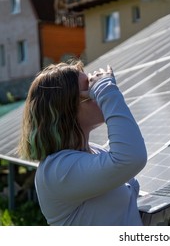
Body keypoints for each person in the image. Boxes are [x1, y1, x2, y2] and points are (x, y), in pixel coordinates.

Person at [18, 60, 147, 225]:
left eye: (96, 88)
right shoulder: (57, 171)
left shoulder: (95, 151)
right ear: (65, 108)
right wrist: (106, 90)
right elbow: (131, 158)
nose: (97, 93)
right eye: (90, 90)